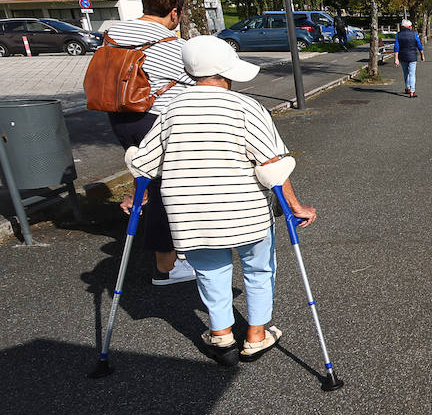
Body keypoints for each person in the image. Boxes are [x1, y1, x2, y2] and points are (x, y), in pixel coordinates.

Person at [126, 36, 317, 364]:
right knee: (258, 267)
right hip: (245, 211)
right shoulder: (245, 107)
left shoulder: (172, 110)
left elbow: (144, 164)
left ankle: (221, 335)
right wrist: (296, 206)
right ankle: (256, 335)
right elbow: (272, 167)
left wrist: (136, 198)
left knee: (211, 271)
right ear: (227, 72)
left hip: (191, 215)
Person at [107, 0, 196, 286]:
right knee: (164, 192)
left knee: (148, 180)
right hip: (155, 122)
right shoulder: (175, 47)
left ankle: (170, 249)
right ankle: (167, 266)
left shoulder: (112, 36)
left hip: (119, 118)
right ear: (175, 13)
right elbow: (202, 83)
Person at [393, 18, 425, 97]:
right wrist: (422, 55)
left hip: (402, 56)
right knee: (412, 74)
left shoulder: (398, 35)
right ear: (410, 26)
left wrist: (396, 58)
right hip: (412, 56)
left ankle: (408, 88)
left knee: (406, 73)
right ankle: (412, 91)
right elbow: (419, 45)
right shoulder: (414, 34)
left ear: (402, 26)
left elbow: (396, 47)